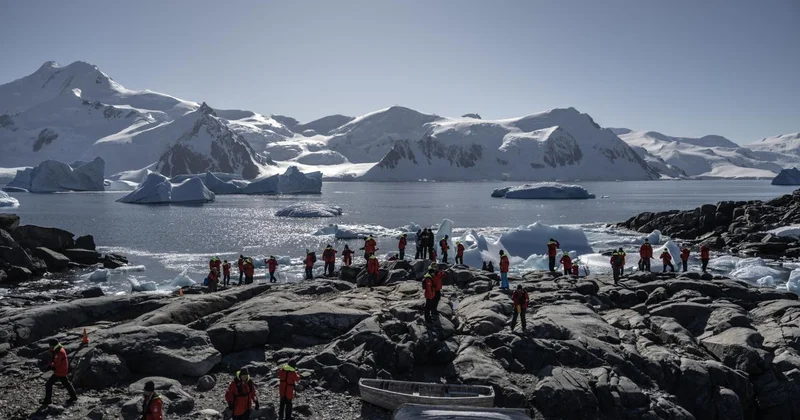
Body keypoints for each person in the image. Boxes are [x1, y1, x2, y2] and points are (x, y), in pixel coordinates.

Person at [41, 339, 78, 405]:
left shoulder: (59, 352)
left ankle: (47, 400)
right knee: (66, 383)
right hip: (63, 370)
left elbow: (56, 364)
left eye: (50, 345)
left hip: (59, 371)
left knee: (48, 384)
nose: (49, 347)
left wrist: (49, 365)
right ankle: (74, 397)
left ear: (52, 345)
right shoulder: (60, 348)